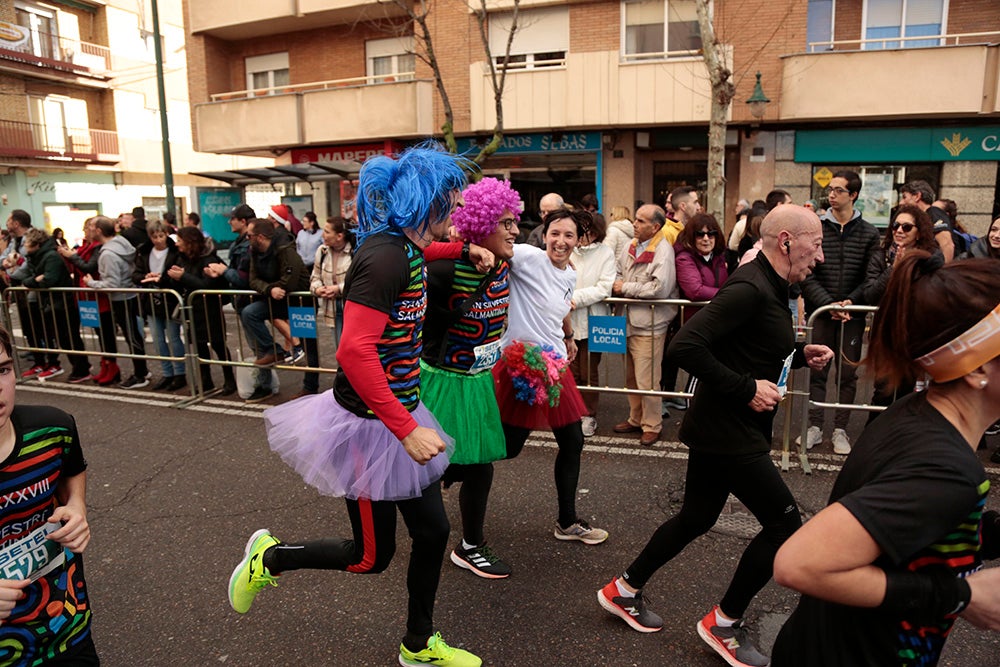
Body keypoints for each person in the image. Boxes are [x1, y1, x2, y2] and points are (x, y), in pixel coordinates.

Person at [227, 144, 483, 667]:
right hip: (371, 426)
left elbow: (417, 258)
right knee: (370, 557)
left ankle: (418, 646)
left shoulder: (406, 246)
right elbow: (353, 349)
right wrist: (406, 429)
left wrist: (458, 252)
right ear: (426, 201)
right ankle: (268, 558)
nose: (455, 214)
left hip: (400, 413)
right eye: (450, 204)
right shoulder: (387, 255)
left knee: (433, 532)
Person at [598, 205, 833, 667]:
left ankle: (622, 590)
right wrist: (746, 390)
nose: (820, 257)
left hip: (722, 429)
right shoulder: (749, 286)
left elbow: (749, 348)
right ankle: (723, 623)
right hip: (729, 434)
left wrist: (801, 355)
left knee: (696, 518)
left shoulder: (773, 285)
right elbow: (686, 345)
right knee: (785, 527)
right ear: (786, 240)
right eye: (817, 244)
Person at [771, 253, 1000, 666]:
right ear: (977, 368)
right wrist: (963, 597)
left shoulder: (919, 410)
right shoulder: (947, 470)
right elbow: (798, 564)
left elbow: (912, 524)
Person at [423, 177, 520, 579]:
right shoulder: (444, 267)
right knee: (426, 465)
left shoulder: (508, 263)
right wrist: (463, 246)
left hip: (478, 379)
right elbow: (415, 250)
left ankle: (471, 546)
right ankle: (422, 537)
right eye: (506, 223)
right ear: (482, 225)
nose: (515, 231)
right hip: (440, 381)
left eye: (516, 222)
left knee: (481, 465)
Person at [494, 207, 609, 545]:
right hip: (522, 364)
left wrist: (570, 336)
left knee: (573, 441)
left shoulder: (570, 273)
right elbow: (492, 246)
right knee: (508, 447)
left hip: (555, 366)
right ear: (544, 235)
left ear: (578, 240)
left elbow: (561, 306)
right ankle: (449, 468)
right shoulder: (528, 257)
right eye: (555, 233)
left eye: (569, 235)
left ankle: (567, 521)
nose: (560, 241)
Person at [0, 325, 98, 664]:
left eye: (3, 370)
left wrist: (77, 506)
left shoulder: (54, 429)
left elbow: (72, 471)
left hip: (67, 628)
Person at [799, 170, 881, 455]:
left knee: (847, 375)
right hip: (821, 313)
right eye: (830, 190)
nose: (831, 195)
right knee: (818, 370)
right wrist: (828, 304)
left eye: (838, 190)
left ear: (853, 195)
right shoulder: (816, 228)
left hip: (853, 315)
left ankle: (840, 430)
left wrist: (850, 302)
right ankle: (814, 426)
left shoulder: (870, 233)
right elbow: (806, 272)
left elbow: (871, 276)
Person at [612, 204, 678, 446]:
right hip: (627, 320)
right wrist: (618, 284)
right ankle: (636, 418)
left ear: (655, 226)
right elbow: (617, 272)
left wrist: (624, 288)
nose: (634, 224)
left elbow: (659, 288)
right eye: (635, 219)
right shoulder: (631, 244)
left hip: (650, 324)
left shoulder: (663, 250)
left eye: (640, 221)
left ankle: (652, 425)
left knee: (648, 379)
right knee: (631, 376)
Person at [167, 227, 237, 395]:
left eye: (180, 241)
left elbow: (206, 285)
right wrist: (171, 278)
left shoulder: (209, 259)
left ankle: (229, 380)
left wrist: (183, 277)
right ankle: (206, 380)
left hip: (209, 308)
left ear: (190, 242)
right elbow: (179, 281)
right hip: (192, 309)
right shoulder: (182, 258)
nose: (177, 245)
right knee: (198, 346)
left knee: (218, 345)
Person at [17, 227, 92, 382]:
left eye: (27, 243)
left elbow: (47, 280)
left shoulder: (50, 256)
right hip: (52, 303)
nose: (24, 246)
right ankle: (80, 367)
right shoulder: (37, 257)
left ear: (36, 243)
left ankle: (82, 369)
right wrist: (34, 280)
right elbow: (30, 278)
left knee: (69, 337)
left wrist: (36, 281)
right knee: (63, 338)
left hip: (62, 302)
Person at [84, 216, 150, 389]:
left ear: (99, 231)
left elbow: (111, 284)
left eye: (91, 226)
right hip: (128, 294)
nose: (89, 229)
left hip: (121, 297)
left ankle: (140, 374)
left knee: (132, 336)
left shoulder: (108, 254)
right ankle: (142, 371)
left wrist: (91, 283)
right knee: (133, 334)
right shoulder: (122, 244)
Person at [570, 209, 616, 438]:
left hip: (593, 320)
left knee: (589, 371)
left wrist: (575, 299)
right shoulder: (570, 251)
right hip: (567, 321)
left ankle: (588, 415)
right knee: (572, 370)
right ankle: (572, 413)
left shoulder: (605, 253)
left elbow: (604, 287)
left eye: (586, 231)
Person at [61, 217, 118, 385]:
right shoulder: (86, 247)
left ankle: (112, 367)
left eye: (90, 227)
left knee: (106, 334)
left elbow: (89, 267)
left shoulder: (97, 248)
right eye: (87, 227)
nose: (87, 230)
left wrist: (72, 257)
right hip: (87, 295)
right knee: (100, 334)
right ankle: (105, 366)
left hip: (98, 295)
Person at [133, 220, 186, 391]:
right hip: (151, 299)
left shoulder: (175, 251)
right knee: (158, 340)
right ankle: (167, 373)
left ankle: (180, 373)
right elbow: (135, 274)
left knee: (174, 337)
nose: (158, 240)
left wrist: (161, 278)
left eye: (161, 236)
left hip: (169, 299)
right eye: (154, 236)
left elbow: (178, 275)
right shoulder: (144, 252)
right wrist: (145, 276)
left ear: (166, 234)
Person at [309, 216, 353, 348]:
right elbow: (315, 277)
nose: (323, 235)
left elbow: (359, 281)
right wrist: (318, 289)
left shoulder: (354, 252)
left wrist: (338, 289)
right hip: (332, 308)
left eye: (327, 232)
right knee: (339, 348)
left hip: (350, 306)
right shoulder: (322, 251)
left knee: (351, 348)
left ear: (339, 236)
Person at [900, 180, 954, 261]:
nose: (901, 202)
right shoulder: (922, 217)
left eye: (904, 197)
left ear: (917, 196)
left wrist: (943, 271)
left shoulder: (934, 213)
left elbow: (947, 245)